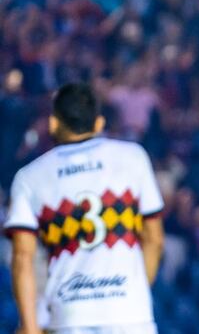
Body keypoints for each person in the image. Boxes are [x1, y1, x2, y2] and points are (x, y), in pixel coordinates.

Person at [4, 83, 165, 334]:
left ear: (53, 124)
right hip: (131, 315)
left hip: (70, 317)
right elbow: (153, 239)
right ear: (99, 123)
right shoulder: (133, 157)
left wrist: (30, 326)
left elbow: (22, 258)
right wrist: (134, 292)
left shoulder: (30, 177)